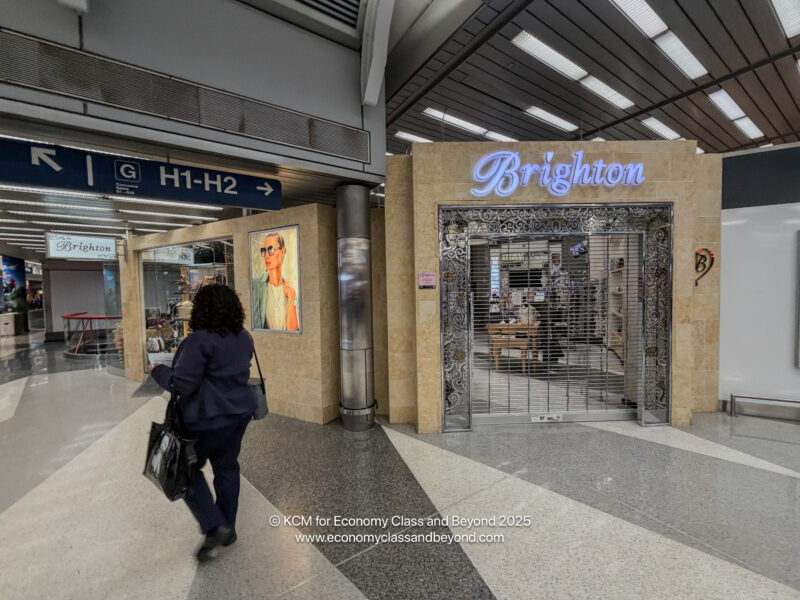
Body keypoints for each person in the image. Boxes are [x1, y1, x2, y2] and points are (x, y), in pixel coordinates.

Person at [149, 284, 257, 561]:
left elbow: (182, 385)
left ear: (202, 309)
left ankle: (214, 525)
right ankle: (228, 527)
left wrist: (158, 371)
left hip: (206, 419)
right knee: (227, 467)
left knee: (185, 470)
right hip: (239, 415)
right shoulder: (243, 337)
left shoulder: (199, 341)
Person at [251, 232, 299, 331]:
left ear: (282, 252)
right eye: (264, 250)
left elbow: (293, 332)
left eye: (271, 249)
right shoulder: (255, 285)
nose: (266, 255)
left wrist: (291, 299)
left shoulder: (291, 290)